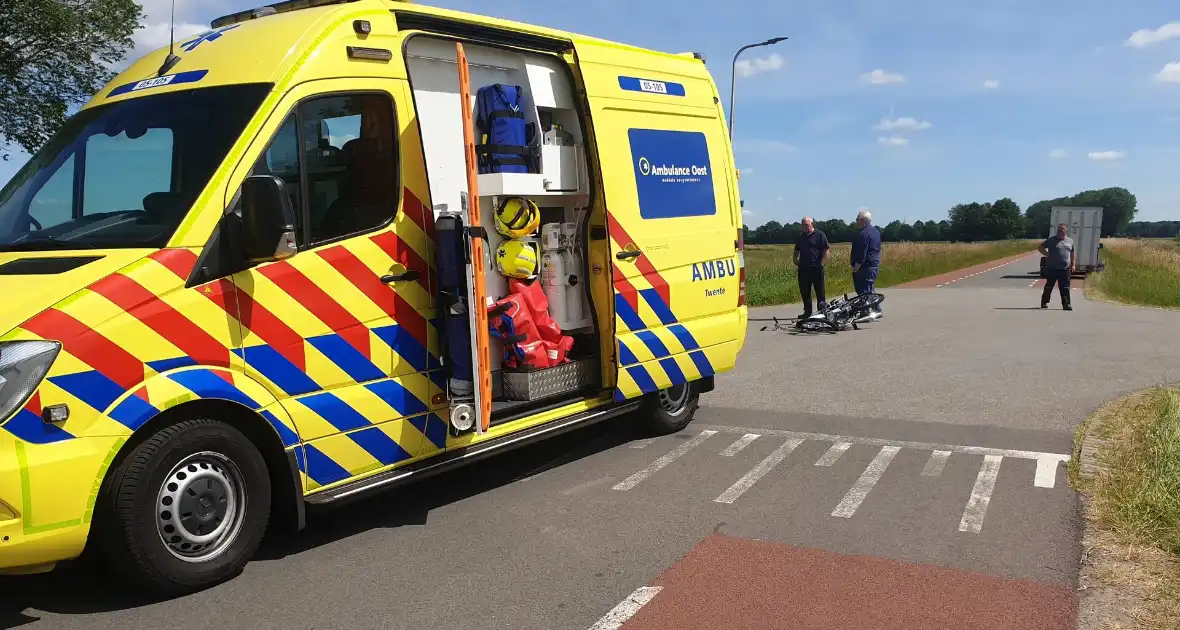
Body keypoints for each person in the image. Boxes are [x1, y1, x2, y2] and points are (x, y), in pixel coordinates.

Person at [793, 216, 830, 318]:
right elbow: (796, 250)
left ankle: (822, 311)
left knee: (820, 291)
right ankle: (807, 312)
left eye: (806, 225)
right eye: (803, 225)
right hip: (804, 268)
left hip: (816, 268)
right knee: (805, 291)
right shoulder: (801, 237)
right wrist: (795, 260)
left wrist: (822, 263)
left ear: (812, 224)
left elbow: (826, 250)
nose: (804, 227)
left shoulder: (820, 235)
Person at [851, 210, 883, 316]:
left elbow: (862, 252)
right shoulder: (875, 232)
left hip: (865, 266)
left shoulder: (863, 234)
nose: (856, 221)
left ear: (863, 221)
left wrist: (857, 265)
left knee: (863, 289)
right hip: (873, 264)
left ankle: (867, 310)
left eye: (858, 219)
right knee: (869, 287)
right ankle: (875, 308)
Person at [1038, 222, 1075, 311]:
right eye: (1059, 230)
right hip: (1052, 268)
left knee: (1065, 287)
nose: (1060, 232)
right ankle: (1044, 302)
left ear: (1066, 231)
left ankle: (1066, 304)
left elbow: (1072, 253)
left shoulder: (1070, 241)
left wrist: (1073, 264)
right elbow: (1040, 247)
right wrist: (1047, 254)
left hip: (1065, 269)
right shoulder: (1051, 240)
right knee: (1049, 286)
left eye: (1062, 230)